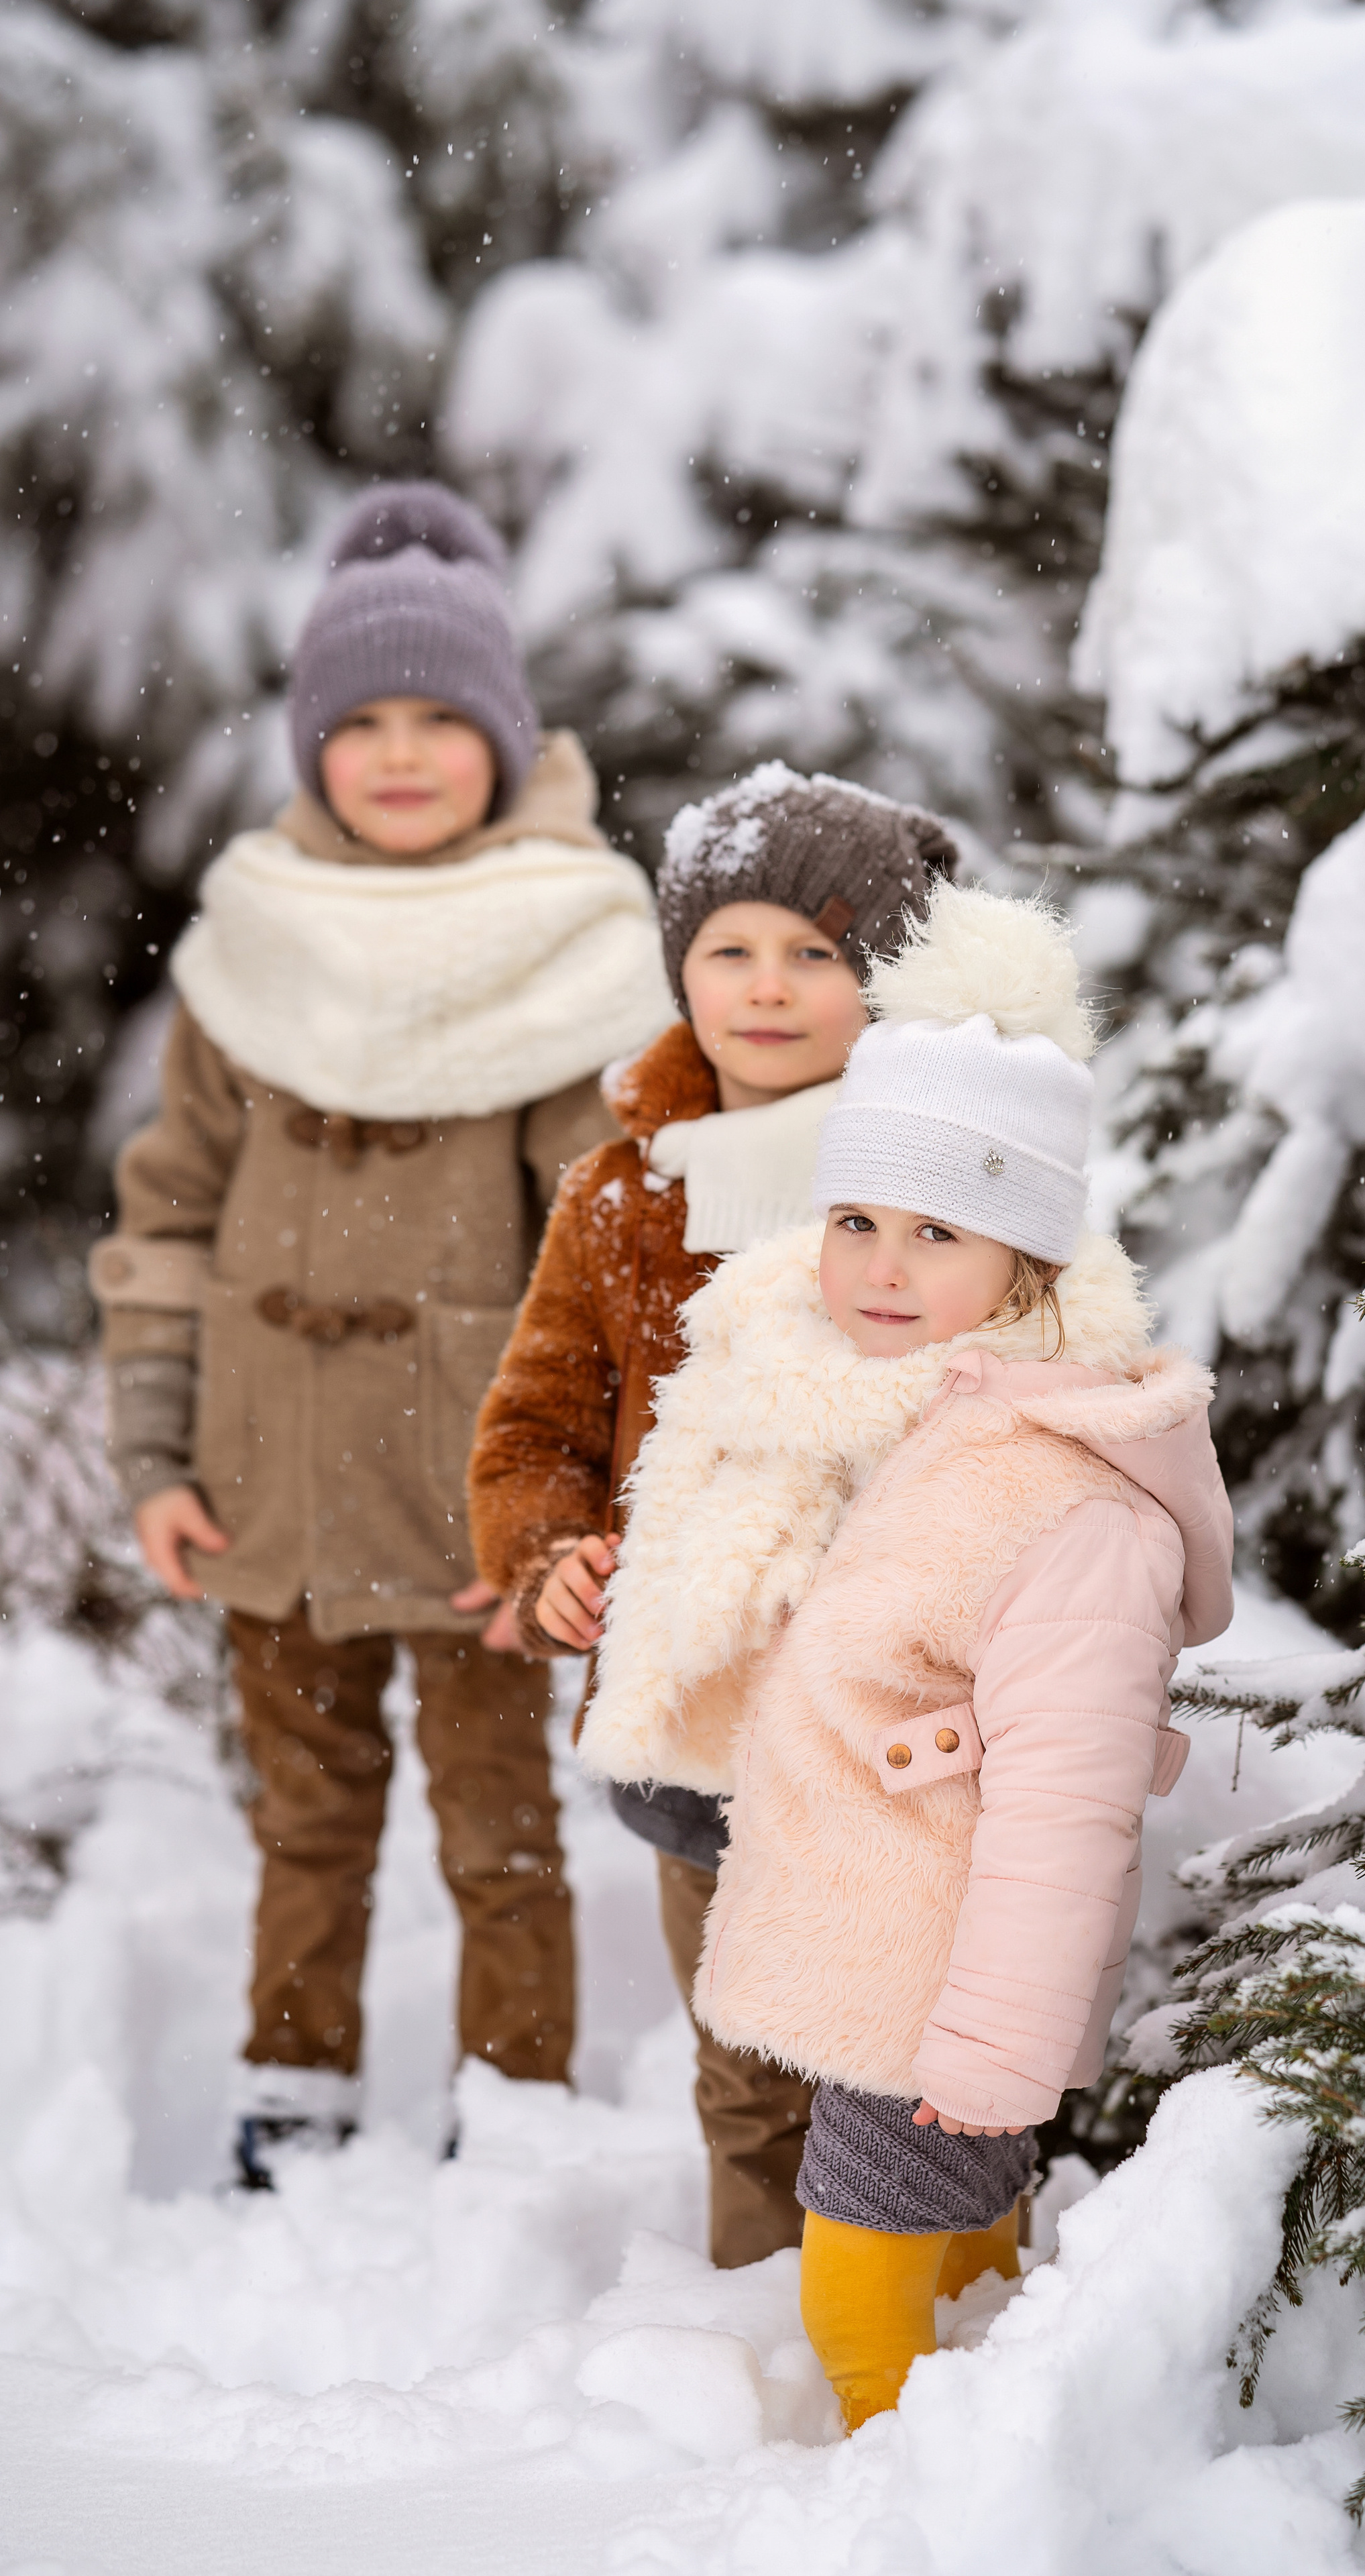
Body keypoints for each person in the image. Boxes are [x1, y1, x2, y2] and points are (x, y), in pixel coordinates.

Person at [578, 877, 1234, 2427]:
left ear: (1023, 1270)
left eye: (934, 1231)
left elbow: (1066, 1805)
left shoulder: (1068, 1498)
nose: (877, 1263)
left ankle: (912, 2511)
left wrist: (996, 2053)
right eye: (855, 1219)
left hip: (937, 2001)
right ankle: (967, 2464)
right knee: (958, 2287)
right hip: (875, 1967)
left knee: (861, 2317)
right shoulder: (894, 1419)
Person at [92, 481, 675, 2186]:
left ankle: (514, 2115)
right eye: (362, 722)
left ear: (504, 739)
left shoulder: (563, 947)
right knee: (305, 1820)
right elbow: (167, 1223)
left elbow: (613, 1271)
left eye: (443, 720)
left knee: (500, 1836)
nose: (403, 755)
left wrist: (582, 1506)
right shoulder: (253, 941)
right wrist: (148, 1451)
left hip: (476, 1508)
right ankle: (294, 2091)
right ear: (309, 744)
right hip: (266, 1489)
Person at [465, 763, 957, 2266]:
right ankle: (765, 2319)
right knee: (747, 2057)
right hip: (701, 1703)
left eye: (819, 952)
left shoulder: (939, 1179)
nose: (769, 988)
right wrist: (550, 1556)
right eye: (729, 950)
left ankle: (930, 2320)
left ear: (887, 979)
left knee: (904, 2043)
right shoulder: (623, 1197)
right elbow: (536, 1422)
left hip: (895, 1700)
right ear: (679, 968)